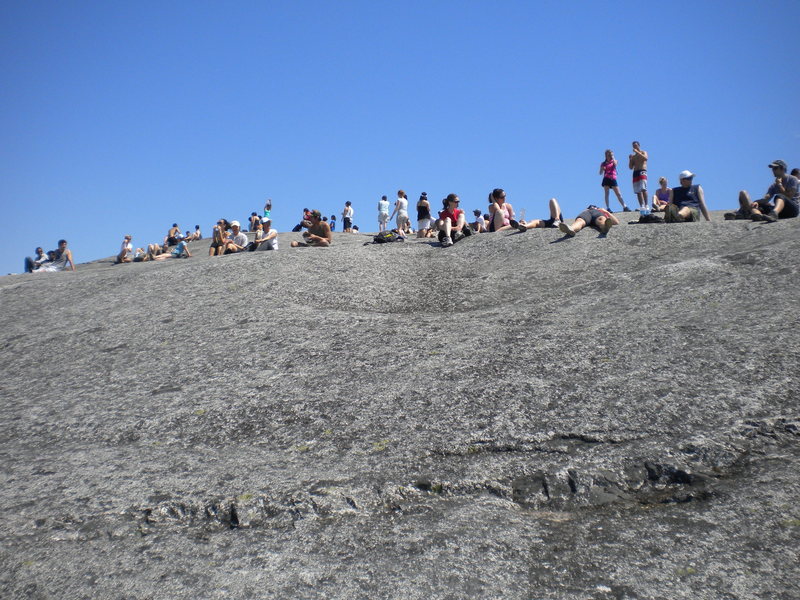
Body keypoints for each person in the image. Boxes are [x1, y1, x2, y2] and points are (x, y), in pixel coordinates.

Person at [628, 141, 649, 211]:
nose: (634, 147)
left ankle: (646, 205)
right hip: (635, 172)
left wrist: (638, 152)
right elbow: (630, 167)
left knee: (643, 188)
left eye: (636, 145)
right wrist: (630, 159)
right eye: (633, 146)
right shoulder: (634, 156)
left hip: (642, 171)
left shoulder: (643, 152)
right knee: (638, 190)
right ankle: (642, 205)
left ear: (639, 146)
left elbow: (645, 158)